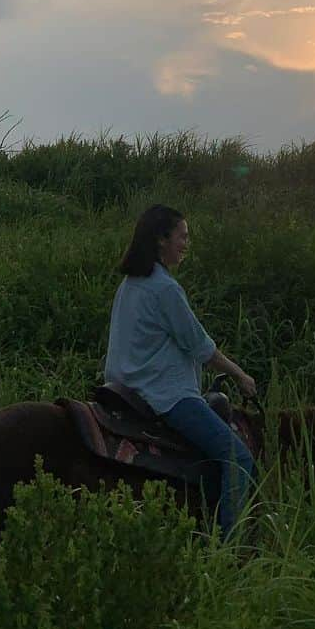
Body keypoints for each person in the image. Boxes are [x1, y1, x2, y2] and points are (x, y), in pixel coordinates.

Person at [103, 204, 257, 535]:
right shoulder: (165, 289)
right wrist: (240, 375)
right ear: (162, 239)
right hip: (166, 395)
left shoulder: (130, 284)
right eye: (182, 237)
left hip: (126, 388)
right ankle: (232, 548)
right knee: (238, 458)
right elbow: (201, 347)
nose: (186, 244)